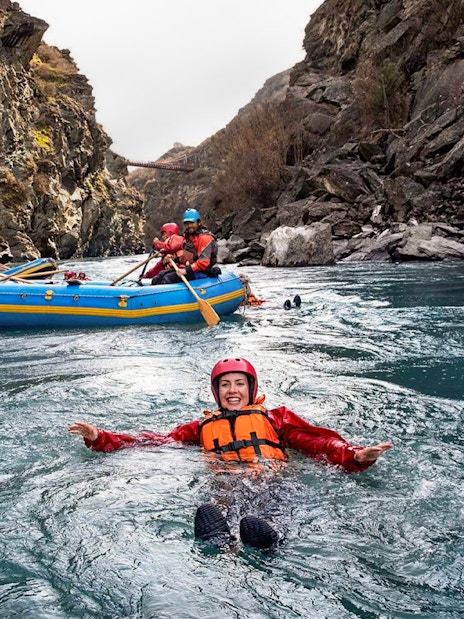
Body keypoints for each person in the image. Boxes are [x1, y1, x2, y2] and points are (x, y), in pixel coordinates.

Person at [69, 357, 393, 550]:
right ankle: (220, 541)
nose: (232, 390)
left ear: (250, 389)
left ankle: (270, 540)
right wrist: (101, 438)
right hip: (228, 481)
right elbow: (153, 442)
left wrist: (353, 456)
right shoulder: (200, 426)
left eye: (239, 383)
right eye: (225, 385)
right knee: (220, 502)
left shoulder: (274, 418)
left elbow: (318, 444)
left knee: (268, 508)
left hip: (270, 478)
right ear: (216, 392)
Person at [151, 208, 219, 285]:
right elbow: (187, 257)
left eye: (192, 223)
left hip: (203, 271)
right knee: (159, 276)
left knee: (168, 278)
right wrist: (175, 259)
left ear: (198, 222)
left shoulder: (205, 238)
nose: (189, 226)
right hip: (191, 269)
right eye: (187, 223)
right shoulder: (188, 237)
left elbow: (203, 262)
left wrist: (186, 270)